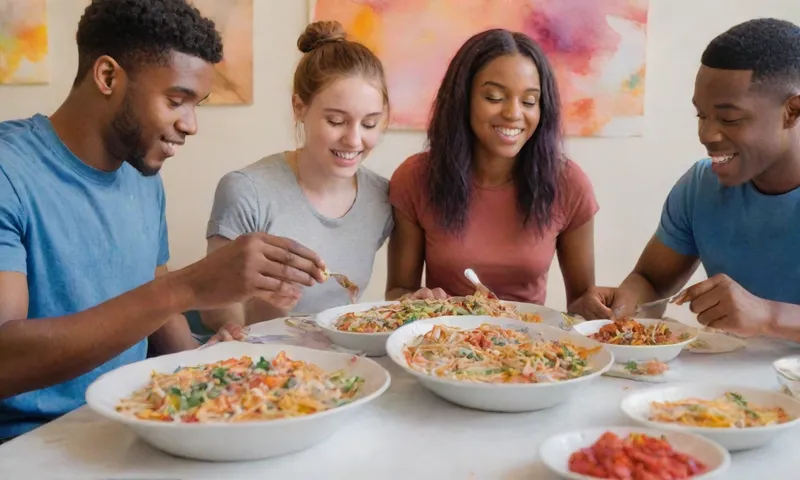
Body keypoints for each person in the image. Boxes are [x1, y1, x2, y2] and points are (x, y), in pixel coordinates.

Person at [0, 0, 327, 441]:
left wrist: (204, 363)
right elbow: (6, 358)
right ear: (108, 77)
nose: (190, 125)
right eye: (177, 100)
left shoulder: (141, 174)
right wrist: (189, 286)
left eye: (198, 105)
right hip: (33, 443)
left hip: (136, 425)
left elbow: (154, 306)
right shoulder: (9, 170)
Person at [573, 18, 800, 342]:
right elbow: (651, 280)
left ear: (792, 111)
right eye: (702, 116)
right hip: (724, 387)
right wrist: (625, 309)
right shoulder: (700, 186)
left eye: (730, 119)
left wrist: (768, 315)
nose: (706, 135)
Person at [385, 29, 600, 310]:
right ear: (463, 99)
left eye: (529, 101)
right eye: (495, 97)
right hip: (439, 345)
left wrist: (602, 307)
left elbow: (582, 302)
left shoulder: (569, 184)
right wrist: (415, 300)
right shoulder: (415, 178)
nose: (513, 113)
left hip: (531, 345)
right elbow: (398, 291)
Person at [201, 20, 392, 330]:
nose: (354, 140)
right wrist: (268, 304)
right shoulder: (246, 191)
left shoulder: (382, 199)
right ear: (299, 107)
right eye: (336, 121)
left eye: (369, 124)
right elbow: (216, 313)